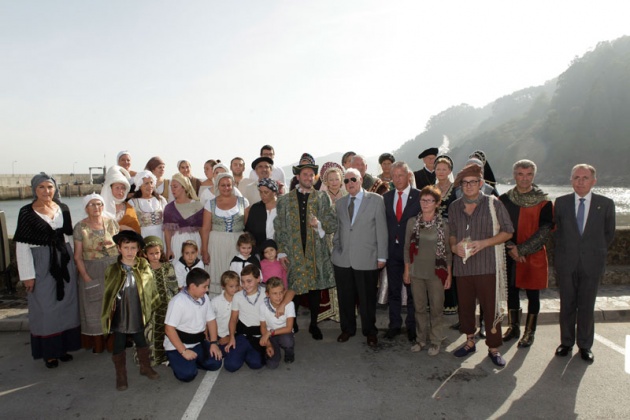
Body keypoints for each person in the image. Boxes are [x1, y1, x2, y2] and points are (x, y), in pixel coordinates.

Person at [448, 164, 513, 367]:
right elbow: (452, 233)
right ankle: (469, 342)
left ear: (481, 183)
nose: (468, 186)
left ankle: (493, 348)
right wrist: (453, 247)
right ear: (460, 186)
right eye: (465, 183)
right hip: (463, 267)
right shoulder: (454, 207)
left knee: (490, 308)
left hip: (488, 266)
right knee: (465, 308)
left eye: (473, 182)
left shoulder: (494, 204)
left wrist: (484, 243)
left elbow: (508, 231)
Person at [14, 173, 81, 368]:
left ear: (55, 189)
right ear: (34, 190)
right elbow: (22, 246)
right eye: (41, 187)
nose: (46, 191)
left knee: (67, 304)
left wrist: (75, 263)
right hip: (41, 262)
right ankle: (49, 352)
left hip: (64, 259)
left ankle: (63, 348)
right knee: (45, 307)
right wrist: (27, 276)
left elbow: (68, 238)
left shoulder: (63, 209)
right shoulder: (26, 212)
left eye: (50, 187)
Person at [553, 164, 615, 363]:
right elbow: (557, 233)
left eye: (585, 177)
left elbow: (609, 234)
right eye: (576, 177)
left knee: (587, 306)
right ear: (571, 180)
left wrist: (593, 252)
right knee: (567, 305)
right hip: (567, 263)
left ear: (593, 181)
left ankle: (585, 346)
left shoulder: (605, 204)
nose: (580, 181)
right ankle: (566, 342)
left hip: (592, 263)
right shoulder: (561, 203)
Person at [274, 159, 337, 340]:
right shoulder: (285, 200)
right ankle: (291, 324)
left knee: (314, 289)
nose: (309, 178)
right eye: (305, 174)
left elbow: (332, 223)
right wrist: (281, 251)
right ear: (298, 176)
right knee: (294, 287)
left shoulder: (322, 197)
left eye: (311, 175)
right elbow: (280, 227)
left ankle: (314, 324)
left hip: (315, 251)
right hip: (294, 251)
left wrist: (319, 225)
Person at [499, 160, 553, 348]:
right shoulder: (504, 199)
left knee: (533, 294)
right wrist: (511, 247)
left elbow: (545, 230)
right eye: (521, 174)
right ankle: (513, 327)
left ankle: (530, 332)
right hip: (510, 252)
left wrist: (522, 249)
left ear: (533, 176)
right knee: (511, 291)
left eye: (528, 174)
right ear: (514, 175)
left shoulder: (544, 201)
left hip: (533, 254)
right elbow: (498, 225)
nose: (524, 178)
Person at [332, 168, 388, 348]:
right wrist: (336, 249)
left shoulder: (376, 200)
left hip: (367, 258)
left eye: (353, 179)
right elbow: (340, 229)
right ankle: (347, 329)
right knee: (345, 298)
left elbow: (381, 229)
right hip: (343, 260)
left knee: (367, 299)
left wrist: (382, 256)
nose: (350, 183)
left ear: (361, 180)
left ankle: (370, 331)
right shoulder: (340, 203)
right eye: (346, 181)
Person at [102, 230, 160, 390]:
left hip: (137, 309)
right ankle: (121, 375)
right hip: (120, 312)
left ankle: (145, 366)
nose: (130, 252)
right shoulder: (112, 269)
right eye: (126, 248)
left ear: (138, 249)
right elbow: (109, 292)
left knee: (141, 338)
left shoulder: (143, 265)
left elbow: (150, 287)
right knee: (119, 342)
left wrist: (150, 304)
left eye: (133, 248)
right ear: (119, 248)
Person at [403, 186, 452, 356]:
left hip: (436, 274)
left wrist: (449, 275)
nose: (425, 203)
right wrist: (407, 270)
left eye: (429, 200)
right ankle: (421, 339)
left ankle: (436, 340)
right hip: (416, 273)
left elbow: (447, 251)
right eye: (423, 200)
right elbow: (407, 248)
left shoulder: (443, 225)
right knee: (419, 308)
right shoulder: (412, 222)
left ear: (437, 203)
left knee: (437, 309)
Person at [224, 265, 295, 372]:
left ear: (258, 279)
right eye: (243, 282)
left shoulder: (266, 293)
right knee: (230, 366)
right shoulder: (238, 296)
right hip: (243, 334)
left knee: (256, 364)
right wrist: (232, 337)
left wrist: (283, 305)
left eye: (249, 281)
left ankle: (248, 353)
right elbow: (233, 319)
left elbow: (291, 292)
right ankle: (241, 351)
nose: (245, 285)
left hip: (260, 335)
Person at [73, 193, 119, 353]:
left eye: (99, 204)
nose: (96, 208)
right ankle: (97, 344)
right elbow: (77, 256)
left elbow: (119, 247)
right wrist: (85, 277)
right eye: (92, 205)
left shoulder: (111, 223)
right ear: (86, 208)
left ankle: (114, 343)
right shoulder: (80, 227)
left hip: (113, 268)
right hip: (92, 269)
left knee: (114, 306)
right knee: (94, 306)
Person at [382, 161, 421, 341]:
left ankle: (412, 327)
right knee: (393, 291)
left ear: (408, 176)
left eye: (401, 175)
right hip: (392, 252)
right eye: (394, 175)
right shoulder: (387, 197)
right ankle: (395, 325)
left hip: (413, 254)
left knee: (413, 292)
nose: (397, 179)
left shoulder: (419, 197)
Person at [163, 268, 223, 381]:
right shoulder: (178, 302)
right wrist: (184, 351)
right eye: (204, 287)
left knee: (215, 364)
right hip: (179, 345)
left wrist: (214, 343)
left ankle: (191, 360)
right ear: (192, 286)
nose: (207, 289)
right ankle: (176, 360)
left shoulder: (204, 298)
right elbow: (169, 329)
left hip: (197, 342)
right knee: (188, 375)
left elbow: (211, 320)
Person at [200, 172, 250, 297]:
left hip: (237, 243)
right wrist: (205, 250)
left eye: (229, 185)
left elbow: (247, 226)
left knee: (236, 272)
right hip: (216, 243)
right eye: (223, 185)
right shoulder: (210, 203)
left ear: (233, 185)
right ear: (217, 186)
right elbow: (205, 228)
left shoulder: (243, 202)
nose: (226, 188)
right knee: (218, 272)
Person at [143, 236, 178, 365]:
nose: (155, 256)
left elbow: (173, 284)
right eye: (151, 254)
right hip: (152, 306)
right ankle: (154, 357)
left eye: (157, 253)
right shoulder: (144, 269)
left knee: (167, 329)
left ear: (161, 252)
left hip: (167, 304)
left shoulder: (167, 266)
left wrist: (174, 300)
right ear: (145, 254)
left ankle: (168, 355)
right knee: (153, 331)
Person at [435, 155, 459, 317]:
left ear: (450, 171)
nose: (441, 172)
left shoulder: (457, 190)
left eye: (444, 169)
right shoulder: (430, 188)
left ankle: (451, 303)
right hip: (433, 235)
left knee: (451, 266)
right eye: (438, 169)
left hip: (451, 234)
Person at [162, 173, 203, 261]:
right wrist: (169, 249)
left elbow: (202, 229)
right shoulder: (169, 208)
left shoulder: (197, 205)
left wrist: (204, 247)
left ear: (184, 187)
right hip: (177, 242)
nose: (172, 189)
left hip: (194, 241)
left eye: (175, 186)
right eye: (171, 186)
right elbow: (167, 231)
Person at [259, 277, 296, 367]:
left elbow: (289, 328)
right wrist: (268, 344)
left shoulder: (289, 304)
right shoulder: (263, 306)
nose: (279, 296)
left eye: (281, 293)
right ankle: (274, 349)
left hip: (284, 333)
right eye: (274, 293)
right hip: (271, 336)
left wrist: (270, 333)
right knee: (272, 365)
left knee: (287, 341)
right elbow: (263, 326)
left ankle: (289, 353)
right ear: (267, 294)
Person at [244, 178, 279, 258]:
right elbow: (249, 231)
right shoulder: (256, 208)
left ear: (274, 192)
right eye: (260, 192)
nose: (262, 195)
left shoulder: (282, 207)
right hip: (260, 252)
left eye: (266, 192)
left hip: (279, 251)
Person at [129, 170, 168, 241]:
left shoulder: (161, 200)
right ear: (140, 186)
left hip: (161, 236)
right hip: (144, 236)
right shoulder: (132, 202)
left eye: (151, 182)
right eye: (146, 183)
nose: (150, 186)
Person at [101, 165, 141, 233]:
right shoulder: (100, 208)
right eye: (117, 188)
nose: (121, 191)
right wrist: (119, 227)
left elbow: (137, 233)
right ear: (110, 189)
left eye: (123, 188)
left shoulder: (130, 208)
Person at [210, 271, 240, 355]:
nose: (235, 289)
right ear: (223, 286)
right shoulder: (215, 302)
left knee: (233, 355)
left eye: (237, 286)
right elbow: (210, 321)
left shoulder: (240, 300)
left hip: (234, 335)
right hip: (218, 335)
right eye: (231, 286)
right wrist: (214, 339)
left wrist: (230, 337)